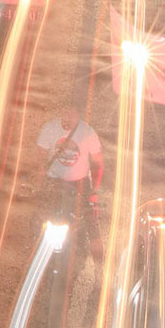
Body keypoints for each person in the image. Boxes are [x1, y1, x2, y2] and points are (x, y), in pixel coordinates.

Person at [37, 103, 104, 260]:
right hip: (55, 181)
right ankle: (46, 255)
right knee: (46, 219)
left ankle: (99, 266)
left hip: (80, 182)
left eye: (71, 115)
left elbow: (98, 163)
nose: (67, 118)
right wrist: (41, 177)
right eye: (65, 113)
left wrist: (94, 191)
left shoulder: (87, 132)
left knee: (92, 224)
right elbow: (41, 156)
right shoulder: (49, 129)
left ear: (78, 115)